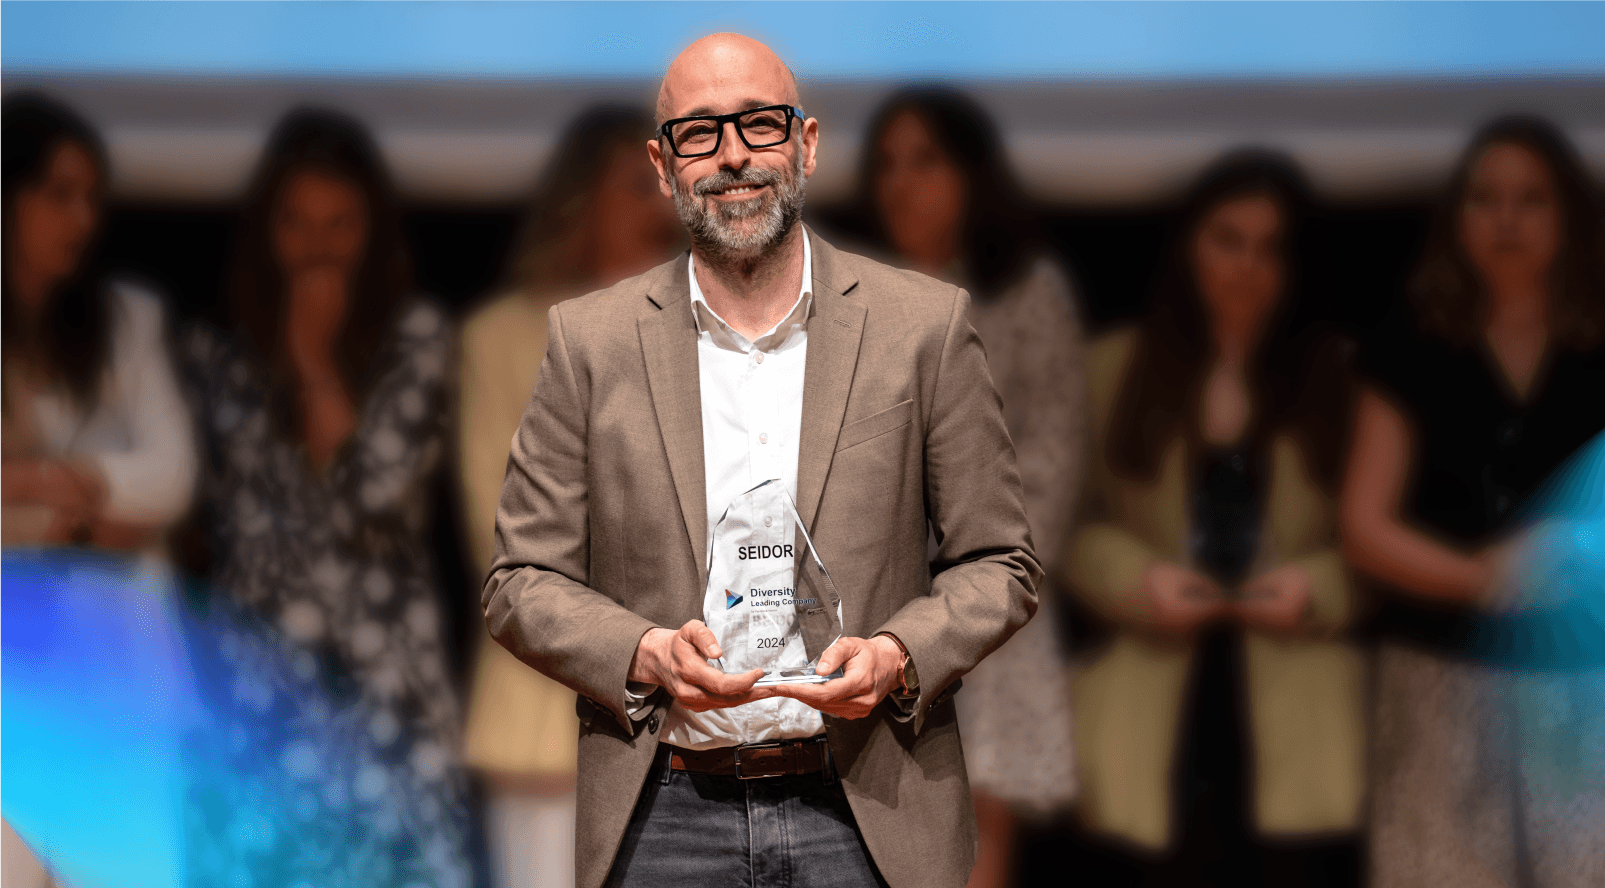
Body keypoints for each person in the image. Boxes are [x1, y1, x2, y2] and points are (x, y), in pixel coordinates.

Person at [483, 33, 1039, 888]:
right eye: (699, 133)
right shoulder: (589, 344)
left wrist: (898, 652)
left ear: (806, 143)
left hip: (866, 808)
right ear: (663, 166)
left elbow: (1000, 560)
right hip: (663, 813)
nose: (733, 153)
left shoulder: (922, 327)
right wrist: (643, 652)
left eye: (759, 124)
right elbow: (519, 580)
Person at [180, 107, 470, 886]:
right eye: (297, 223)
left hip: (387, 696)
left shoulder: (416, 338)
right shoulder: (217, 354)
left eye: (340, 225)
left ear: (372, 232)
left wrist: (314, 366)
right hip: (259, 691)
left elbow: (371, 499)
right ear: (264, 229)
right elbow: (226, 520)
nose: (316, 247)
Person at [1059, 153, 1365, 886]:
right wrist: (1139, 581)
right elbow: (1062, 531)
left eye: (1268, 247)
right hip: (1152, 681)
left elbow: (1379, 538)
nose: (1245, 266)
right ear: (1189, 245)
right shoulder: (1113, 366)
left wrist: (1316, 587)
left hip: (1298, 691)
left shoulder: (1341, 373)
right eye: (1227, 239)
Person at [1342, 117, 1605, 887]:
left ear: (1570, 216)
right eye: (1485, 198)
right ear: (1456, 217)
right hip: (1438, 673)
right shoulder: (1409, 343)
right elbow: (1364, 526)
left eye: (1531, 199)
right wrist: (1483, 578)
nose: (1507, 219)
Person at [849, 85, 1083, 888]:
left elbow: (1050, 471)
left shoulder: (1026, 295)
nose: (901, 182)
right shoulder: (841, 297)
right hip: (857, 619)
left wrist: (962, 606)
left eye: (925, 159)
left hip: (989, 628)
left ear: (972, 173)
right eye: (885, 164)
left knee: (978, 852)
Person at [458, 104, 681, 888]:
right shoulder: (503, 336)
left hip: (691, 721)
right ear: (580, 201)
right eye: (637, 184)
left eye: (667, 182)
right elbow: (505, 530)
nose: (663, 204)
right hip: (543, 714)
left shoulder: (711, 336)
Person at [2, 91, 198, 888]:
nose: (81, 217)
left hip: (121, 684)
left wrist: (43, 488)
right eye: (59, 194)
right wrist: (104, 513)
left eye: (92, 198)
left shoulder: (127, 320)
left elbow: (171, 481)